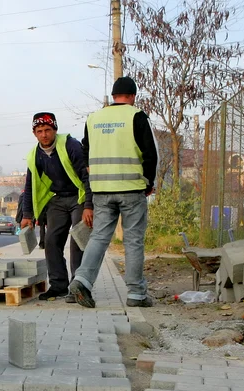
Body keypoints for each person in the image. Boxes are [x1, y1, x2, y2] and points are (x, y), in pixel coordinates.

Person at [69, 77, 158, 308]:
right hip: (131, 189)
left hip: (101, 190)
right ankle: (136, 294)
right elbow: (150, 153)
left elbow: (86, 151)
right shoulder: (136, 116)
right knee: (133, 240)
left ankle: (82, 280)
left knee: (99, 237)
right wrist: (148, 183)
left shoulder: (93, 118)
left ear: (114, 95)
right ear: (133, 96)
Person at [21, 112, 93, 301]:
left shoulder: (71, 145)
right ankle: (58, 285)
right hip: (58, 200)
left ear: (55, 130)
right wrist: (27, 214)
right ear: (34, 133)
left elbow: (87, 176)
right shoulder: (34, 156)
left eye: (47, 130)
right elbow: (30, 186)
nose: (44, 134)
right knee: (51, 241)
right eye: (39, 131)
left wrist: (89, 205)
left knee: (78, 240)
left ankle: (79, 287)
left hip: (79, 197)